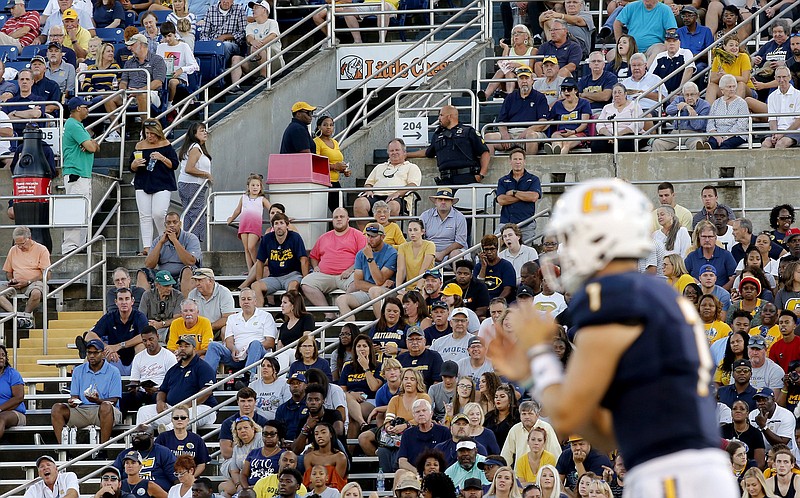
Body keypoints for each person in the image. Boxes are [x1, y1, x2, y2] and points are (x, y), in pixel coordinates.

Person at [488, 178, 740, 497]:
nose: (567, 249)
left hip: (670, 474)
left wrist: (537, 356)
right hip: (685, 467)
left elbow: (568, 413)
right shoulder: (653, 295)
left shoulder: (610, 296)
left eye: (574, 236)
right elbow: (605, 431)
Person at [136, 335, 217, 428]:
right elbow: (163, 390)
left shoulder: (203, 367)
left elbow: (207, 391)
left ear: (194, 348)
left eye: (186, 346)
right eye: (180, 346)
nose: (182, 349)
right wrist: (160, 402)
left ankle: (167, 430)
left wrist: (186, 406)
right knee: (144, 411)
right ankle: (143, 438)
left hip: (201, 408)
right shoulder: (173, 369)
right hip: (173, 408)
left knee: (185, 414)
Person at [51, 339, 122, 443]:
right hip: (82, 410)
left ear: (102, 354)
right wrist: (73, 401)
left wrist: (97, 400)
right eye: (89, 352)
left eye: (95, 352)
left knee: (106, 406)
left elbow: (114, 401)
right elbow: (75, 396)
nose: (92, 356)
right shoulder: (78, 370)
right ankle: (64, 450)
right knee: (57, 408)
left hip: (104, 411)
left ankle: (103, 448)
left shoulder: (113, 371)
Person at [302, 208, 367, 321]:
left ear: (348, 219)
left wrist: (351, 269)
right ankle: (329, 314)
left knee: (358, 281)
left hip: (348, 275)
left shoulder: (358, 235)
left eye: (342, 217)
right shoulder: (324, 237)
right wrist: (316, 266)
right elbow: (313, 256)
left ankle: (343, 311)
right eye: (336, 217)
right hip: (325, 275)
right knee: (306, 283)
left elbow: (363, 257)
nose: (339, 219)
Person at [406, 105, 490, 185]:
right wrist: (406, 155)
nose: (439, 118)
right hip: (445, 180)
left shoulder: (468, 131)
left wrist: (481, 175)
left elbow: (485, 152)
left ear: (449, 116)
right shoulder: (438, 134)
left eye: (441, 115)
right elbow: (428, 152)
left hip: (467, 177)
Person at [130, 120, 179, 255]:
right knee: (144, 216)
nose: (149, 136)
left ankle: (163, 240)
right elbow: (131, 167)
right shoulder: (139, 146)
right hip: (142, 182)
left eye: (152, 133)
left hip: (162, 182)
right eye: (147, 133)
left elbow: (174, 164)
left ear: (158, 133)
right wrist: (135, 163)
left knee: (158, 213)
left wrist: (161, 157)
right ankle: (147, 247)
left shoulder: (166, 145)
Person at [205, 287, 276, 378]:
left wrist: (248, 349)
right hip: (236, 356)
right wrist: (233, 349)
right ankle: (207, 380)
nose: (246, 301)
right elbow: (229, 340)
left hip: (258, 355)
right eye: (243, 299)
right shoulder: (232, 318)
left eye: (249, 299)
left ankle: (248, 376)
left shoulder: (265, 316)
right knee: (213, 346)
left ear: (255, 301)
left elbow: (270, 342)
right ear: (239, 302)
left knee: (255, 344)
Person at [335, 222, 398, 319]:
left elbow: (379, 280)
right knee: (341, 299)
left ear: (382, 237)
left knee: (374, 291)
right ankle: (352, 330)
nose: (370, 239)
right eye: (368, 235)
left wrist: (370, 258)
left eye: (373, 236)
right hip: (368, 291)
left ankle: (381, 327)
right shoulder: (361, 254)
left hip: (387, 292)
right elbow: (358, 283)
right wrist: (377, 286)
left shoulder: (391, 253)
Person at [484, 66, 550, 156]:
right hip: (511, 133)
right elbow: (501, 120)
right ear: (517, 81)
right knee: (488, 138)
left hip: (532, 132)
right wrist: (504, 134)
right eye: (521, 78)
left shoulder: (540, 97)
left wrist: (527, 131)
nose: (524, 81)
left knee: (531, 136)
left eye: (526, 78)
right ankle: (491, 168)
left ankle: (529, 167)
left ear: (532, 80)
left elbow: (542, 122)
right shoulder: (510, 98)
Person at [355, 138, 421, 224]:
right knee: (359, 203)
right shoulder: (379, 167)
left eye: (397, 150)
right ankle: (365, 235)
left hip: (398, 198)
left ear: (404, 152)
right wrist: (368, 190)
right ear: (388, 153)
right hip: (376, 196)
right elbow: (368, 183)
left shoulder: (412, 167)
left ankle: (387, 235)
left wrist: (397, 193)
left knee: (392, 206)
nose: (394, 153)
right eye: (391, 151)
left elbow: (413, 185)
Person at [249, 212, 309, 307]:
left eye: (281, 223)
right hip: (275, 277)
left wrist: (306, 280)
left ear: (287, 225)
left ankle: (289, 319)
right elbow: (260, 261)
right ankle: (259, 316)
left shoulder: (295, 237)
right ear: (273, 226)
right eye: (276, 223)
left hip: (292, 275)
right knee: (255, 286)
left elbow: (304, 259)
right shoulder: (267, 239)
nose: (279, 226)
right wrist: (259, 280)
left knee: (292, 288)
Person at [0, 226, 50, 328]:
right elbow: (8, 272)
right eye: (17, 244)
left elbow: (47, 275)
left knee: (36, 293)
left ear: (29, 239)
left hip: (33, 283)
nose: (20, 247)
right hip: (16, 284)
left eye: (22, 244)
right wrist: (11, 280)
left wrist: (27, 282)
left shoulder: (41, 249)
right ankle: (18, 316)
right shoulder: (13, 250)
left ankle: (26, 316)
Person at [121, 326, 176, 416]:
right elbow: (134, 380)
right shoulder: (138, 357)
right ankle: (120, 425)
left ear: (157, 337)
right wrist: (134, 388)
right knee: (125, 397)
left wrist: (157, 389)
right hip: (142, 391)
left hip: (160, 392)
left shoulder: (169, 356)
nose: (148, 343)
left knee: (158, 397)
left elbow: (173, 382)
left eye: (151, 339)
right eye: (145, 341)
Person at [231, 0, 282, 91]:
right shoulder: (250, 26)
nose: (253, 10)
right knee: (236, 58)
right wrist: (253, 42)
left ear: (264, 10)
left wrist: (259, 43)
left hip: (274, 61)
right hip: (256, 59)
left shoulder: (272, 23)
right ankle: (235, 86)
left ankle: (263, 76)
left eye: (256, 7)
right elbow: (249, 38)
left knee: (259, 49)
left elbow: (273, 35)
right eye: (253, 8)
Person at [477, 25, 536, 101]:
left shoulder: (533, 50)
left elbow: (531, 69)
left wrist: (518, 65)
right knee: (502, 71)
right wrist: (506, 48)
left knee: (508, 73)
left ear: (526, 36)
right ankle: (486, 95)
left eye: (519, 33)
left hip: (525, 75)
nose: (516, 35)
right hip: (510, 75)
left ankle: (509, 95)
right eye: (514, 33)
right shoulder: (509, 50)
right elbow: (504, 64)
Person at [227, 173, 271, 272]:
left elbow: (272, 209)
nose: (255, 187)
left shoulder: (262, 199)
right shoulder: (244, 197)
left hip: (254, 226)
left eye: (257, 185)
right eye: (253, 185)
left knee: (251, 247)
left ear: (260, 187)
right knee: (246, 249)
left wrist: (283, 216)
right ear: (248, 187)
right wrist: (231, 218)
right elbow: (237, 210)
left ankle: (257, 267)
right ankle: (250, 270)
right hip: (244, 225)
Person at [496, 150, 541, 242]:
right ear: (510, 161)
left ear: (524, 161)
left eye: (520, 159)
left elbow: (533, 197)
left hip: (526, 224)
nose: (518, 162)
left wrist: (514, 192)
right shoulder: (503, 180)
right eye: (515, 159)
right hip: (505, 224)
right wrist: (524, 196)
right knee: (495, 246)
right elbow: (501, 200)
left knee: (526, 252)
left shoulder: (533, 179)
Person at [697, 74, 751, 150]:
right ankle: (705, 154)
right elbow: (710, 122)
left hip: (736, 135)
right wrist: (717, 136)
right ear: (722, 89)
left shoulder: (742, 103)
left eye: (733, 86)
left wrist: (726, 136)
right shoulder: (716, 103)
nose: (732, 89)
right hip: (718, 134)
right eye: (729, 87)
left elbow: (741, 124)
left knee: (725, 145)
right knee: (712, 143)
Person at [649, 82, 709, 151]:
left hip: (695, 134)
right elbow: (668, 110)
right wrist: (685, 106)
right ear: (683, 95)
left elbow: (698, 126)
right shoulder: (679, 100)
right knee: (657, 143)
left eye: (692, 94)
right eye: (687, 95)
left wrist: (692, 113)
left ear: (698, 94)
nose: (689, 97)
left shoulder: (705, 105)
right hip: (677, 133)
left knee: (697, 144)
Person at [155, 404, 210, 476]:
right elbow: (155, 460)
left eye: (183, 417)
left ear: (188, 420)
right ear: (172, 420)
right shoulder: (163, 438)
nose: (179, 420)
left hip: (190, 479)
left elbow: (202, 464)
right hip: (167, 479)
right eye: (176, 418)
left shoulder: (197, 439)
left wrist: (190, 478)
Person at [120, 34, 167, 119]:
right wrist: (124, 91)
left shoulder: (157, 60)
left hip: (151, 93)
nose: (130, 48)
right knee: (108, 98)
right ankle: (116, 131)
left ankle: (144, 128)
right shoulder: (129, 62)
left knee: (141, 95)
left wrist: (139, 91)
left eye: (132, 45)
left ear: (141, 45)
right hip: (129, 93)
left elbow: (158, 82)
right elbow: (123, 81)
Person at [591, 83, 644, 153]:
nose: (617, 95)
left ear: (625, 94)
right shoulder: (607, 107)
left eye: (619, 92)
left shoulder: (634, 105)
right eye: (614, 93)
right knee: (596, 143)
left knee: (624, 143)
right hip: (609, 136)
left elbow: (638, 124)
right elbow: (600, 124)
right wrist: (609, 136)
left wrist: (618, 135)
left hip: (628, 134)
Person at [198, 0, 246, 77]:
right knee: (201, 46)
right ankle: (207, 72)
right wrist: (210, 43)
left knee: (224, 45)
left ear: (233, 1)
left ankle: (218, 72)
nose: (226, 2)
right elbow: (204, 33)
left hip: (232, 44)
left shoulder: (239, 10)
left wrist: (225, 37)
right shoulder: (211, 10)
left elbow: (242, 33)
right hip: (212, 42)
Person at [544, 77, 592, 155]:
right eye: (563, 89)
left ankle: (555, 157)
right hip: (561, 132)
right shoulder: (558, 104)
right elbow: (550, 120)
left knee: (566, 143)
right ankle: (555, 150)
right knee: (556, 139)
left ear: (575, 90)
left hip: (577, 132)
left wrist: (573, 132)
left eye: (569, 89)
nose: (566, 91)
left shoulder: (584, 103)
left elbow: (584, 124)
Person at [685, 220, 737, 289]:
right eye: (704, 236)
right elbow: (684, 276)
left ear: (715, 238)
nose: (707, 240)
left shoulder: (726, 255)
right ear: (699, 238)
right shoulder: (691, 256)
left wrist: (720, 292)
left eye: (710, 237)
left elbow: (733, 278)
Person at [219, 416, 263, 498]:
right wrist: (238, 484)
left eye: (246, 427)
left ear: (253, 428)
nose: (243, 430)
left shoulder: (260, 438)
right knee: (223, 487)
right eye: (239, 429)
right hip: (243, 479)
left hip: (259, 478)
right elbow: (234, 471)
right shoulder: (237, 447)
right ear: (236, 432)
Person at [314, 116, 350, 213]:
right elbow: (315, 163)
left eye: (331, 125)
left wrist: (343, 170)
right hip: (324, 182)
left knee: (341, 210)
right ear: (319, 127)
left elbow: (336, 161)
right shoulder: (316, 142)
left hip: (335, 182)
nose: (328, 127)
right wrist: (334, 166)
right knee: (336, 211)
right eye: (325, 125)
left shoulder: (335, 142)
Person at [761, 66, 800, 150]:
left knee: (780, 144)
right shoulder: (772, 96)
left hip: (795, 131)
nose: (781, 80)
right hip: (777, 130)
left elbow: (798, 121)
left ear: (789, 77)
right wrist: (775, 134)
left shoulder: (798, 95)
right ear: (775, 78)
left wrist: (782, 134)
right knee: (765, 144)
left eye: (784, 77)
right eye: (779, 77)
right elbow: (772, 119)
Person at [138, 270, 182, 343]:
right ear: (157, 285)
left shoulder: (178, 295)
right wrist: (150, 325)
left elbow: (178, 318)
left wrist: (161, 324)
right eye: (166, 286)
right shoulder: (147, 295)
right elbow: (140, 316)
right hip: (150, 328)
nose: (170, 288)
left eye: (171, 285)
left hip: (170, 328)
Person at [706, 35, 753, 101]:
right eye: (731, 45)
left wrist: (727, 76)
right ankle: (709, 111)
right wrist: (719, 77)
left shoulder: (744, 57)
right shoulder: (718, 58)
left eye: (736, 45)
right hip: (726, 89)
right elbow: (712, 79)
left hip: (746, 89)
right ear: (724, 47)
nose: (734, 48)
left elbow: (745, 79)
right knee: (711, 86)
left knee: (741, 84)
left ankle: (733, 110)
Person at [475, 235, 517, 301]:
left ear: (497, 249)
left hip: (502, 302)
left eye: (492, 249)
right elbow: (478, 287)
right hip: (483, 302)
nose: (489, 252)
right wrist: (483, 267)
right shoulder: (478, 267)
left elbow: (508, 289)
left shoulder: (506, 266)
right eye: (486, 249)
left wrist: (496, 301)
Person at [0, 344, 25, 439]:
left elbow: (19, 398)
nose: (1, 357)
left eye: (3, 355)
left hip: (15, 413)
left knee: (1, 418)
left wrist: (0, 409)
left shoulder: (12, 374)